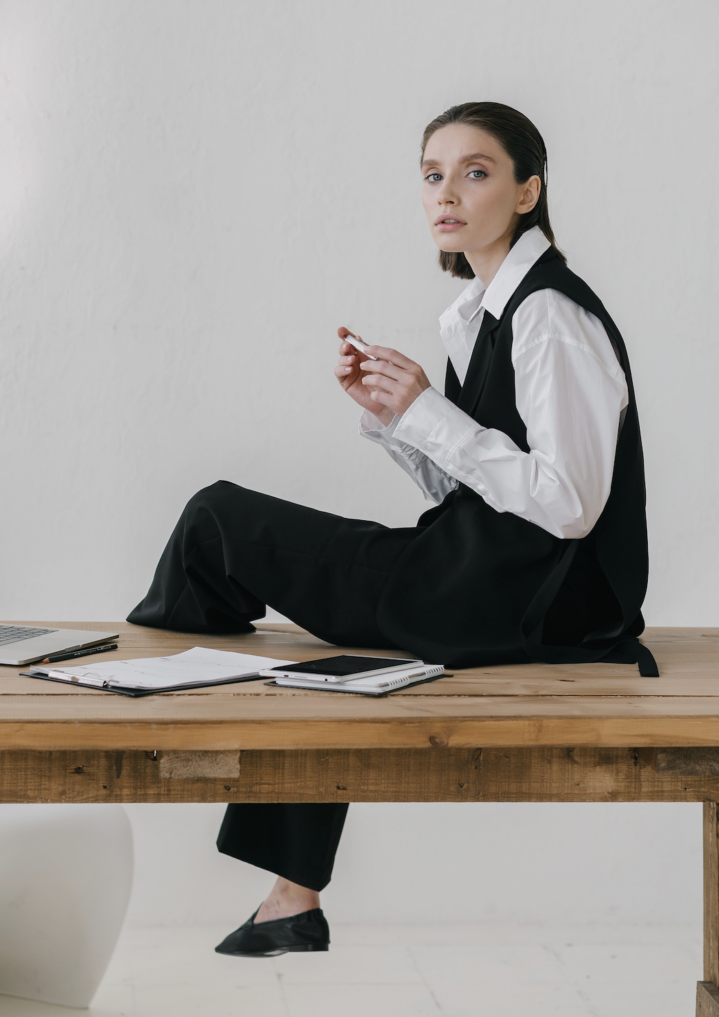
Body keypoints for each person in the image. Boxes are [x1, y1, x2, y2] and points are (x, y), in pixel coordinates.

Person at [127, 101, 655, 957]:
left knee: (216, 519)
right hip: (484, 577)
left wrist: (431, 413)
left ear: (528, 193)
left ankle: (139, 706)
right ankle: (291, 894)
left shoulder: (550, 316)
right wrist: (396, 418)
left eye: (475, 172)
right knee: (300, 657)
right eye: (431, 173)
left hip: (521, 600)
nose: (447, 192)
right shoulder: (486, 311)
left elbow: (570, 504)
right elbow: (481, 491)